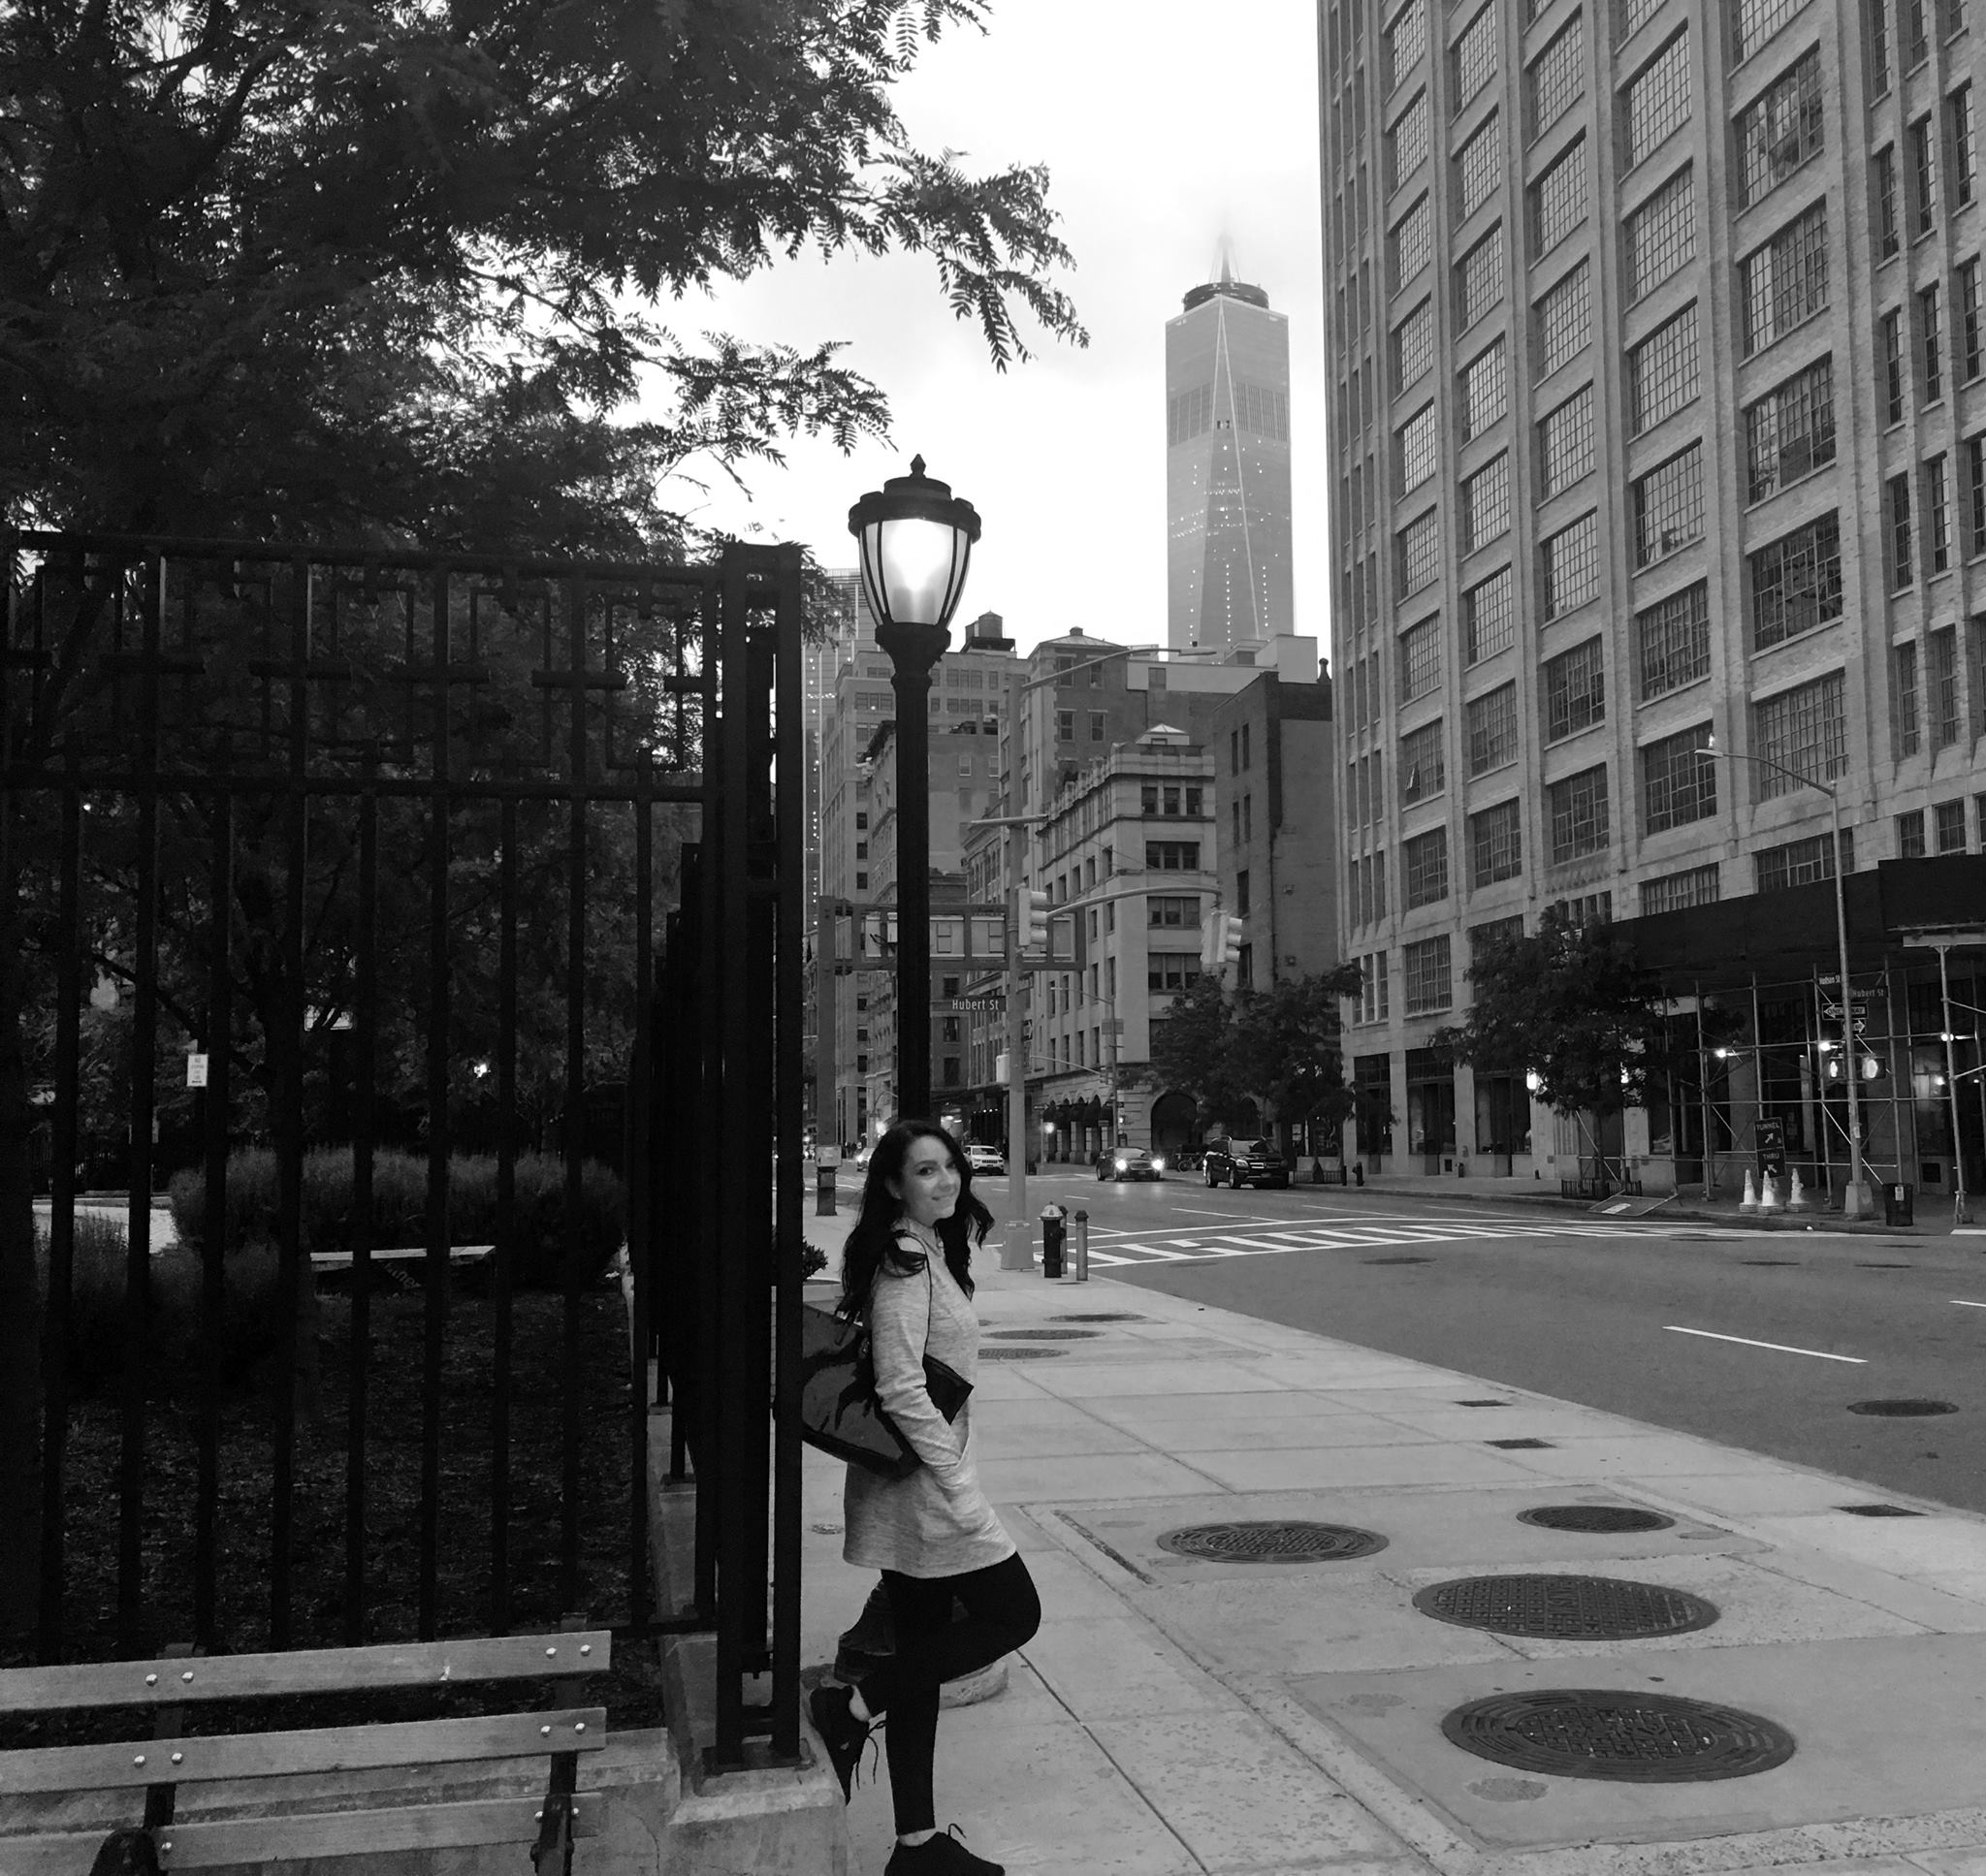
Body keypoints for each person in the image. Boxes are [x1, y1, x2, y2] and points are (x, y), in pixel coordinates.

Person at [809, 1120, 1040, 1876]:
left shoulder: (930, 1248)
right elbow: (903, 1385)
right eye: (925, 1170)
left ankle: (915, 1846)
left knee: (920, 1653)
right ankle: (849, 1706)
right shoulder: (905, 1262)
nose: (945, 1181)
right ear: (893, 1184)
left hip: (916, 1485)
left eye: (950, 1167)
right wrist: (958, 1480)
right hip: (925, 1491)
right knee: (1014, 1612)